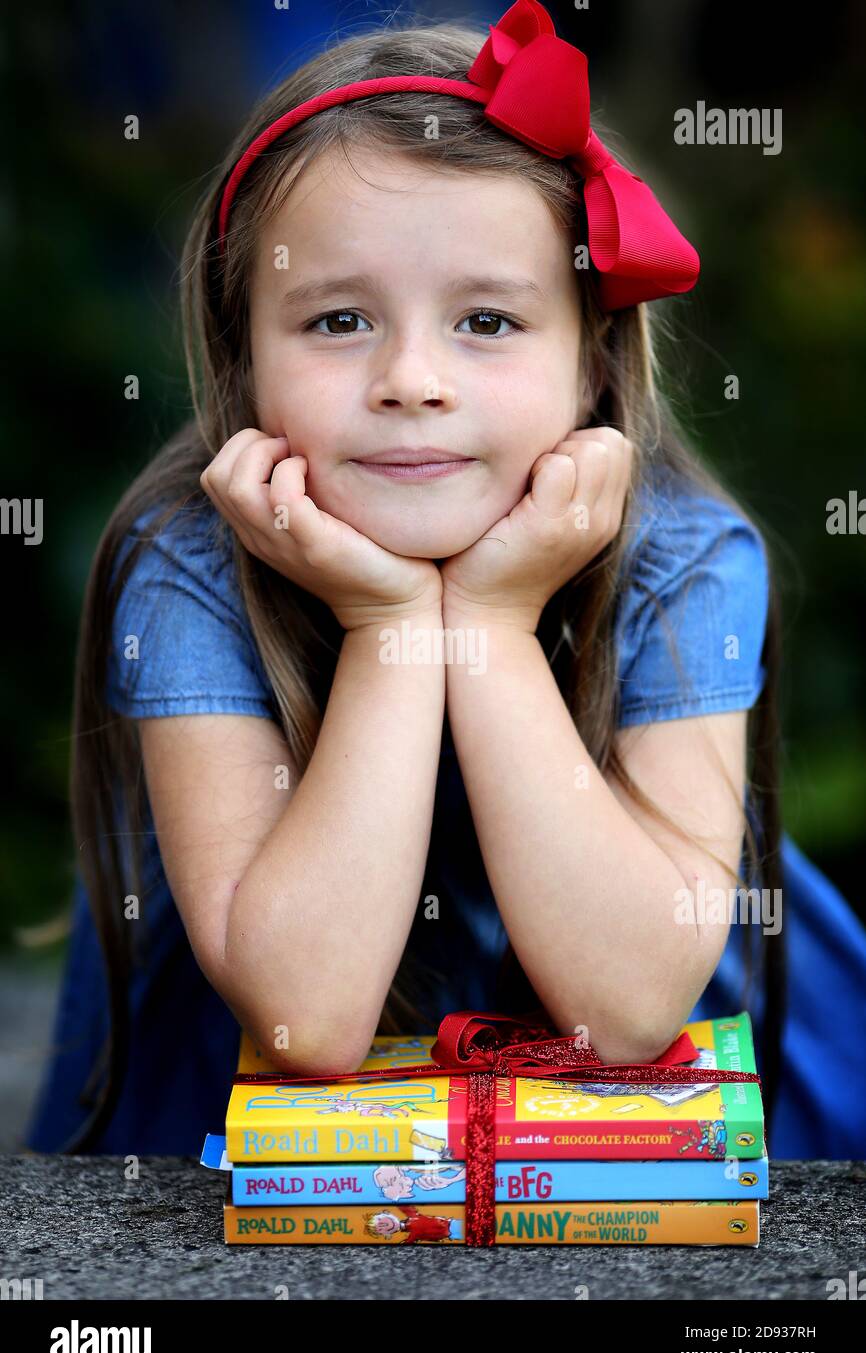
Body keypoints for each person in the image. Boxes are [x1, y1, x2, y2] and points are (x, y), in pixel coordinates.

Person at [24, 1, 866, 1161]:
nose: (410, 378)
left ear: (589, 359)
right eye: (335, 319)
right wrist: (389, 623)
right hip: (233, 1098)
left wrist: (492, 621)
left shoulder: (682, 557)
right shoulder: (190, 567)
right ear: (239, 355)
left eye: (484, 318)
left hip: (672, 1105)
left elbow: (622, 1015)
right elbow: (303, 1021)